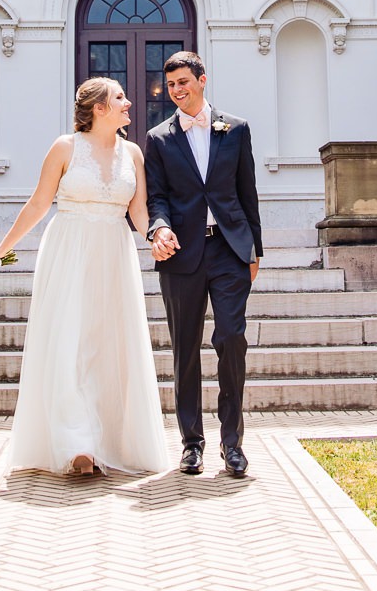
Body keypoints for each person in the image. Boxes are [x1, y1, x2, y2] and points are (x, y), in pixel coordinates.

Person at [0, 78, 175, 476]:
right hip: (69, 250)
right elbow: (39, 204)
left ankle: (108, 439)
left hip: (114, 253)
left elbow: (138, 211)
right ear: (99, 109)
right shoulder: (64, 148)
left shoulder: (133, 153)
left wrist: (156, 234)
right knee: (70, 341)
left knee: (107, 345)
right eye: (119, 98)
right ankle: (76, 444)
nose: (129, 103)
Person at [144, 51, 263, 479]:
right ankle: (191, 443)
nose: (177, 90)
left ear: (202, 80)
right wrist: (158, 229)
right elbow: (155, 197)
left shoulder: (236, 128)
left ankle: (233, 444)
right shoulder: (157, 138)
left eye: (184, 82)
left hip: (230, 250)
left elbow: (247, 192)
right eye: (171, 84)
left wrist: (255, 251)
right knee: (185, 350)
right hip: (181, 256)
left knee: (232, 339)